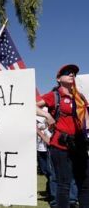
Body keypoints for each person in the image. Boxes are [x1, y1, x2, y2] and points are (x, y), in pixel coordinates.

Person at [36, 64, 89, 208]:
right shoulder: (54, 96)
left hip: (80, 144)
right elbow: (31, 105)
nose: (71, 74)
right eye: (67, 72)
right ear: (58, 79)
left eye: (73, 73)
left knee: (85, 184)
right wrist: (47, 115)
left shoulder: (80, 96)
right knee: (63, 185)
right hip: (60, 146)